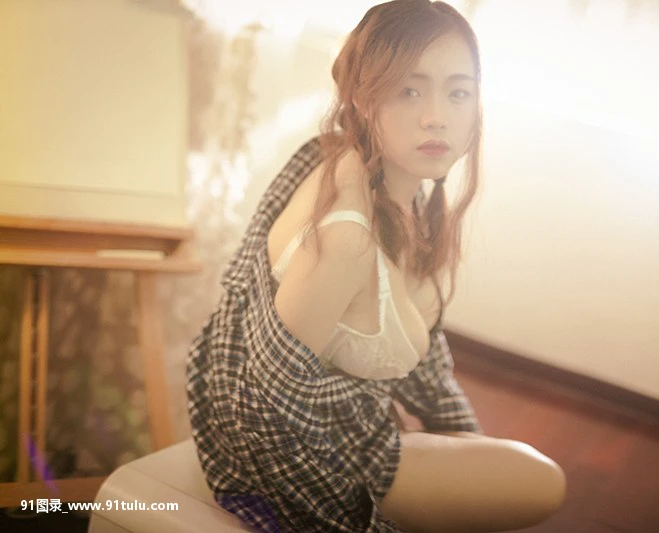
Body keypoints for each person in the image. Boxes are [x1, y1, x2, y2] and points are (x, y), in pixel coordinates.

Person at [186, 1, 566, 532]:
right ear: (364, 98)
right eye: (409, 90)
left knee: (511, 466)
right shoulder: (346, 238)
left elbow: (428, 363)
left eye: (459, 92)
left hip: (361, 430)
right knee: (544, 481)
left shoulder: (401, 191)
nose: (437, 116)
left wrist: (465, 437)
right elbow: (262, 408)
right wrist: (353, 513)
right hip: (325, 460)